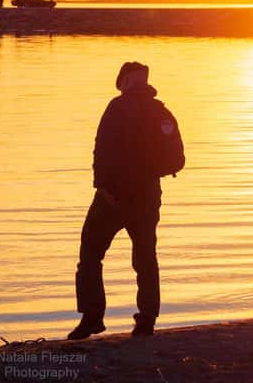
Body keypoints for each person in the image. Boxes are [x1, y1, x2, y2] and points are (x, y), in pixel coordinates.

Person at [69, 61, 184, 340]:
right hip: (138, 196)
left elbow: (101, 150)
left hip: (116, 197)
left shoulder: (121, 108)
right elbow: (177, 159)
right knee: (143, 258)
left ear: (126, 81)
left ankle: (94, 316)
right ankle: (145, 320)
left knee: (92, 253)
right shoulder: (161, 113)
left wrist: (105, 186)